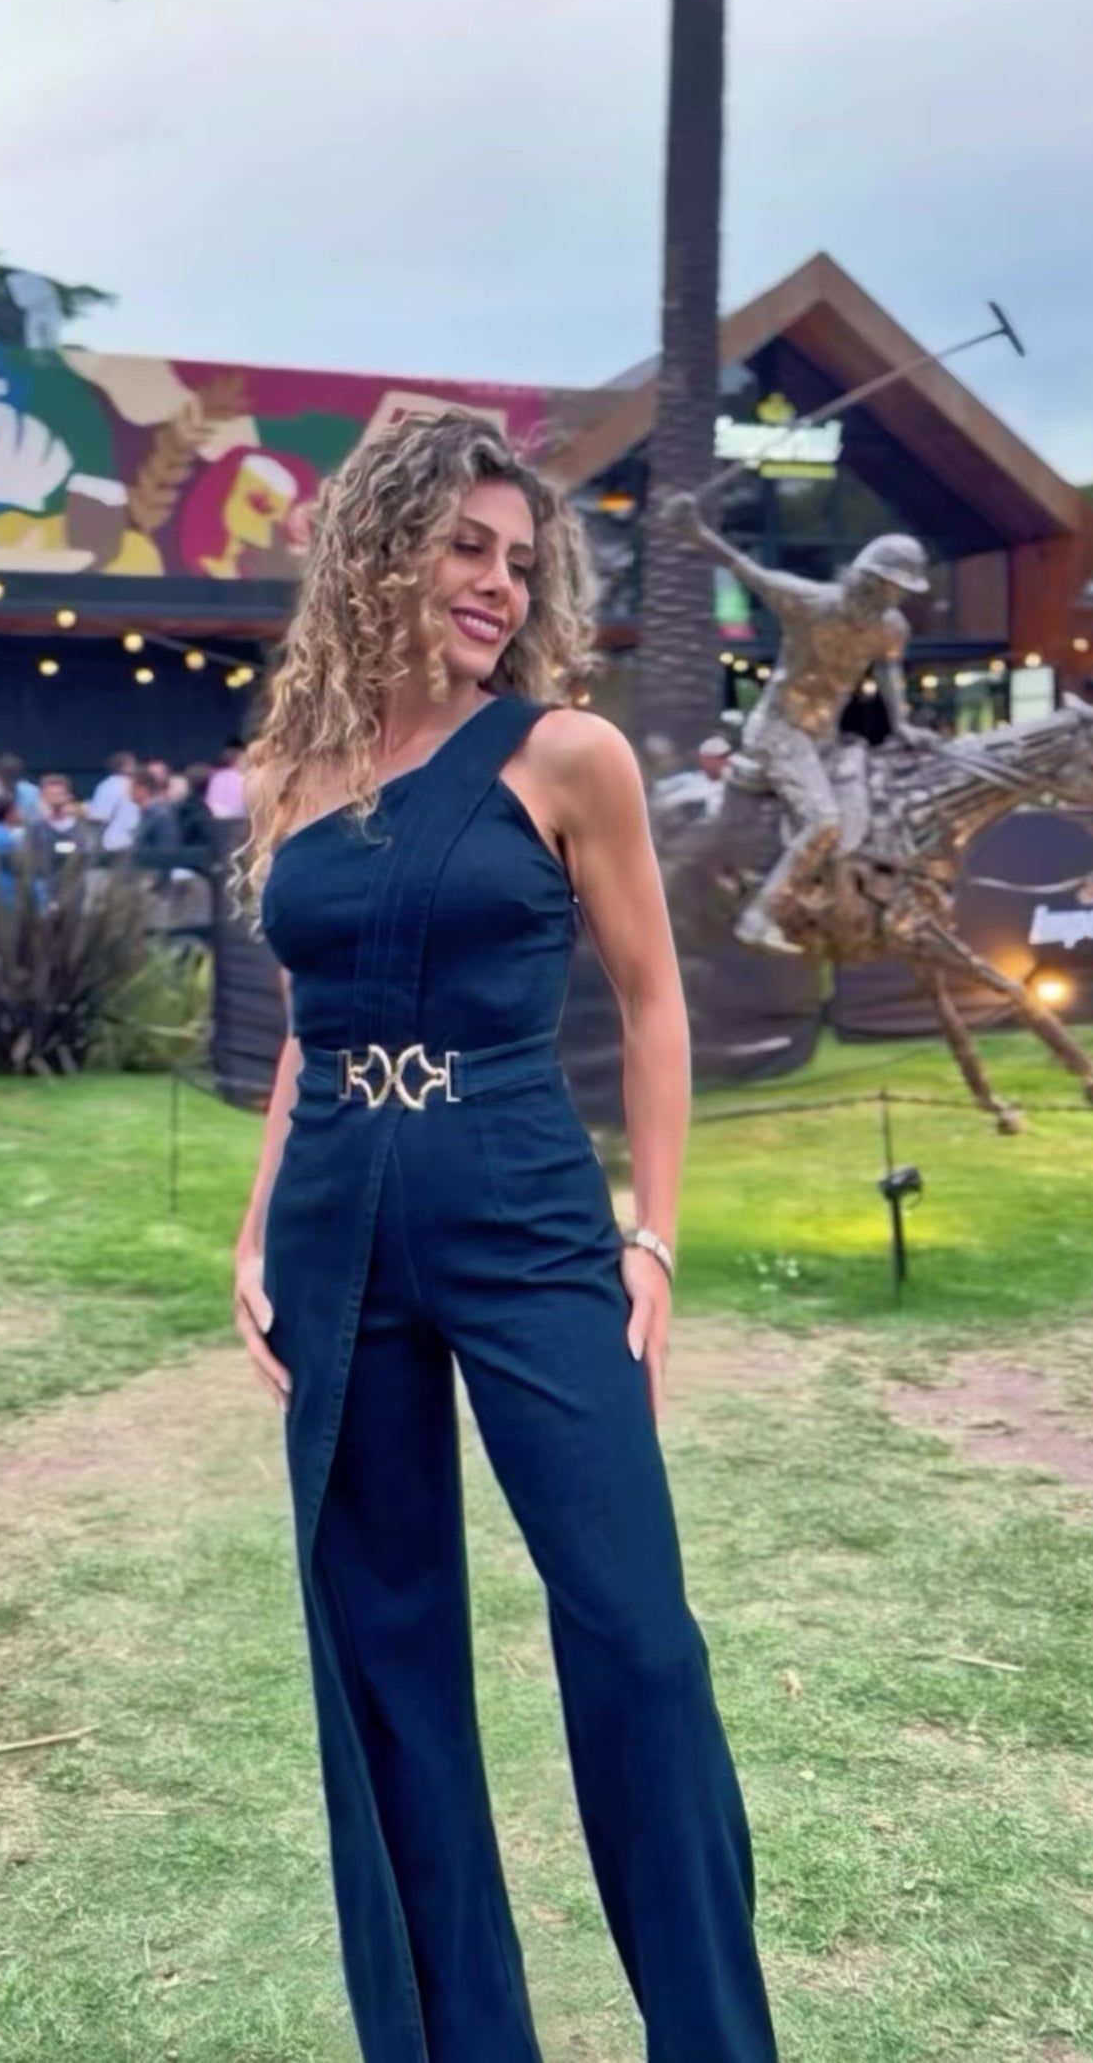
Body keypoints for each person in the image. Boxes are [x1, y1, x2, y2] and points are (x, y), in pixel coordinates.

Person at [231, 413, 778, 2063]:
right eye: (464, 546)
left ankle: (713, 2037)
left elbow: (654, 1002)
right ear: (379, 550)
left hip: (525, 1202)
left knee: (636, 1634)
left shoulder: (566, 754)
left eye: (519, 561)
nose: (496, 583)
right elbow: (308, 1025)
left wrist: (654, 1238)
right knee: (383, 1639)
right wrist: (253, 1228)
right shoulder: (294, 770)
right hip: (336, 1219)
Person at [671, 498, 935, 952]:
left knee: (866, 814)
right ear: (869, 579)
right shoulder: (811, 603)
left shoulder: (890, 628)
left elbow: (890, 670)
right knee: (824, 821)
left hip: (823, 737)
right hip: (778, 729)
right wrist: (698, 533)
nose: (897, 597)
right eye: (892, 586)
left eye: (902, 591)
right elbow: (749, 571)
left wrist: (903, 723)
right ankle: (760, 915)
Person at [87, 750, 140, 852]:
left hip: (128, 841)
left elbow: (98, 815)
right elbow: (99, 816)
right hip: (117, 842)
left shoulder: (133, 785)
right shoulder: (110, 785)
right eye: (132, 764)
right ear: (122, 766)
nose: (135, 767)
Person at [206, 737, 248, 819]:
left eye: (235, 754)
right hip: (220, 820)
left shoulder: (249, 777)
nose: (231, 757)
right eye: (230, 754)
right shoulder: (218, 777)